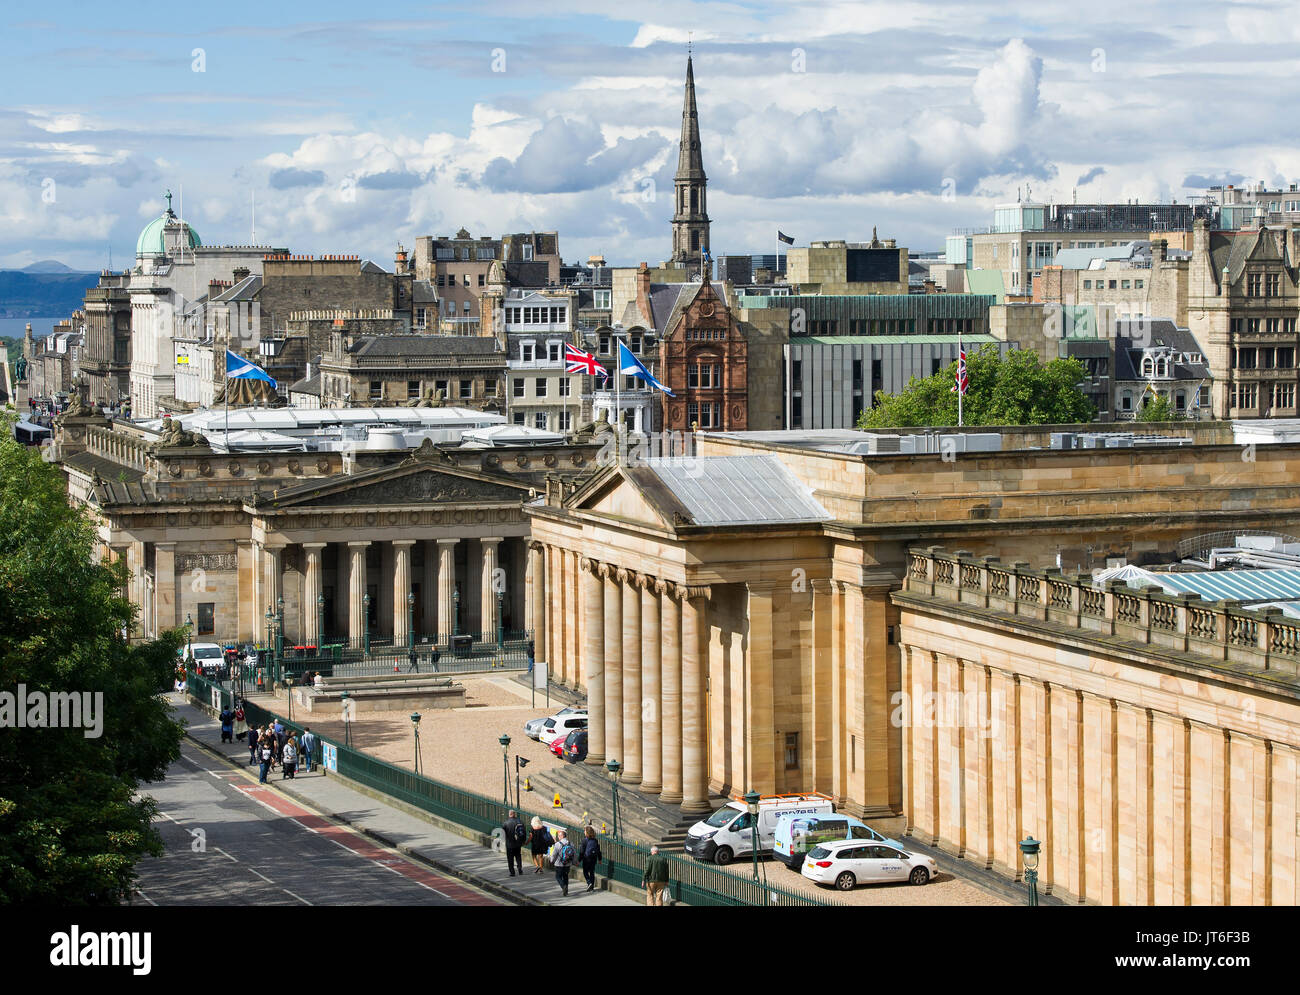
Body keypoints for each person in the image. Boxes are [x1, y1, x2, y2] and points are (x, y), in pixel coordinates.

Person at [549, 829, 574, 896]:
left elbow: (554, 854)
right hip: (568, 863)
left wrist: (551, 861)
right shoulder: (570, 843)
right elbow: (574, 853)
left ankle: (563, 887)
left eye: (559, 836)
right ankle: (566, 891)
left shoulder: (557, 844)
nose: (558, 837)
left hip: (559, 864)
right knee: (565, 876)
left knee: (558, 877)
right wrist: (575, 861)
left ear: (562, 836)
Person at [502, 809, 526, 877]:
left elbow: (502, 833)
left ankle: (512, 872)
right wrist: (523, 841)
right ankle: (520, 869)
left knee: (510, 858)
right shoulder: (520, 822)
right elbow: (524, 832)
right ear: (514, 814)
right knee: (518, 856)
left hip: (509, 844)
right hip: (518, 843)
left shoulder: (505, 823)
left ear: (509, 814)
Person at [580, 825, 602, 892]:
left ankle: (589, 883)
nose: (584, 832)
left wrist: (579, 860)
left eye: (585, 831)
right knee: (592, 872)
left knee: (585, 872)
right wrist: (600, 859)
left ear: (587, 832)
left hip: (586, 859)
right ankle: (591, 887)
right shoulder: (595, 840)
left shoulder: (584, 840)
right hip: (593, 858)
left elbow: (582, 851)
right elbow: (598, 850)